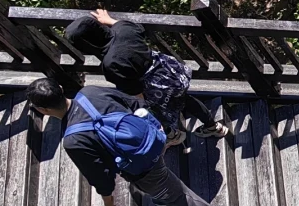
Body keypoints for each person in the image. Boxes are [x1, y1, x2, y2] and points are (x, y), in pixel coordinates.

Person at [27, 78, 238, 206]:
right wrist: (155, 127)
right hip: (153, 136)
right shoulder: (90, 92)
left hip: (143, 168)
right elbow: (135, 102)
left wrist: (107, 199)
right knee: (161, 184)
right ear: (61, 88)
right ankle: (163, 194)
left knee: (180, 196)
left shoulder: (73, 140)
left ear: (43, 110)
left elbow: (99, 175)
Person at [64, 10, 230, 144]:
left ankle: (173, 136)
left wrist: (144, 110)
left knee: (158, 114)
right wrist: (110, 20)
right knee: (185, 99)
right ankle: (213, 126)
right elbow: (135, 29)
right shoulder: (123, 29)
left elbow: (136, 93)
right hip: (169, 72)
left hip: (155, 88)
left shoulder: (112, 63)